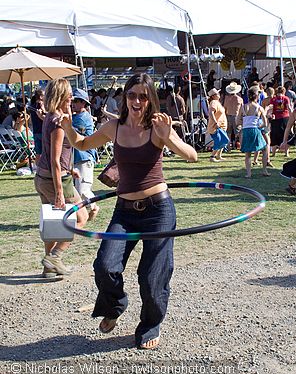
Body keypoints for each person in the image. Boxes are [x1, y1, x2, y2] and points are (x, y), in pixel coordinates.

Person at [59, 73, 197, 350]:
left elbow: (191, 155)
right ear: (125, 98)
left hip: (159, 210)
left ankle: (150, 326)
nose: (136, 101)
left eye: (143, 96)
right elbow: (83, 144)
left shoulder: (158, 126)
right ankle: (115, 305)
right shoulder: (115, 127)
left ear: (150, 100)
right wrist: (67, 127)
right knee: (105, 265)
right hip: (124, 211)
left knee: (152, 274)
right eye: (132, 95)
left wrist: (167, 136)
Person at [34, 78, 88, 278]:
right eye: (69, 93)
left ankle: (48, 268)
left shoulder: (52, 116)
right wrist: (59, 192)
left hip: (43, 177)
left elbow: (55, 155)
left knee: (52, 224)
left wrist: (70, 168)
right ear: (61, 95)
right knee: (82, 217)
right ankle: (55, 256)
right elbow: (55, 160)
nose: (72, 97)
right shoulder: (58, 123)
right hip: (55, 180)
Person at [72, 88, 99, 221]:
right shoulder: (75, 116)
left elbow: (72, 130)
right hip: (76, 158)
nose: (73, 103)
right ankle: (83, 213)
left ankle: (94, 207)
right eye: (73, 101)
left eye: (76, 101)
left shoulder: (83, 117)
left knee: (82, 190)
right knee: (77, 190)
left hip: (85, 157)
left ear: (84, 103)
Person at [237, 88, 270, 178]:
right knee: (264, 149)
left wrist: (244, 124)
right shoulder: (259, 107)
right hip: (255, 130)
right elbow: (265, 123)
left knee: (248, 154)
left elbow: (237, 121)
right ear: (257, 96)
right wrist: (260, 127)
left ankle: (248, 173)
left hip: (245, 131)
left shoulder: (243, 107)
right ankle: (264, 170)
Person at [280, 101, 296, 195]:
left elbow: (288, 128)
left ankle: (292, 185)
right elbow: (288, 127)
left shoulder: (295, 112)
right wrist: (284, 141)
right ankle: (291, 184)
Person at [207, 88, 228, 162]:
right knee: (221, 141)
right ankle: (212, 156)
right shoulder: (213, 102)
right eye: (217, 93)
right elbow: (211, 113)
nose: (219, 94)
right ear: (213, 96)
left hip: (221, 126)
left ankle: (219, 155)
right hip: (216, 127)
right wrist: (215, 122)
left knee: (223, 140)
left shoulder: (217, 102)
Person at [270, 86, 291, 157]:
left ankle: (273, 153)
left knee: (274, 135)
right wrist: (292, 117)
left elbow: (271, 109)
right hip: (285, 117)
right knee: (286, 134)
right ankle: (286, 153)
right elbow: (289, 108)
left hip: (276, 118)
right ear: (284, 91)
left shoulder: (273, 99)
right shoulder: (286, 98)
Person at [223, 81, 243, 151]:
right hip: (236, 116)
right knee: (239, 133)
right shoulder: (239, 99)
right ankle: (241, 147)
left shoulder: (226, 99)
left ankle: (228, 147)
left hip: (228, 115)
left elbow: (224, 108)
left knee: (228, 132)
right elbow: (242, 109)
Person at [29, 88, 46, 164]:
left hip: (36, 131)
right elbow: (45, 118)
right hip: (42, 130)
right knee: (46, 151)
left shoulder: (32, 105)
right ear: (41, 96)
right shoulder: (40, 105)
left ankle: (38, 169)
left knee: (38, 152)